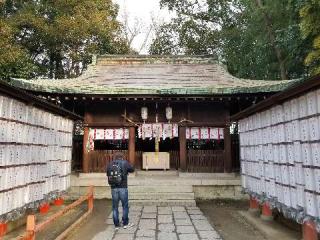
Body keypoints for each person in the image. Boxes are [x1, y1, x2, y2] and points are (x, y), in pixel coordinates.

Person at [106, 152, 135, 230]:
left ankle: (116, 225)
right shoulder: (125, 163)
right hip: (123, 188)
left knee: (115, 207)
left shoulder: (110, 164)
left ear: (115, 157)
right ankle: (125, 223)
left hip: (113, 188)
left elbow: (108, 174)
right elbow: (132, 169)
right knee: (125, 206)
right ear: (122, 157)